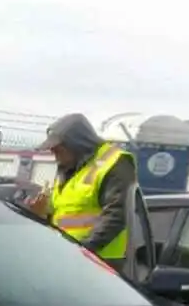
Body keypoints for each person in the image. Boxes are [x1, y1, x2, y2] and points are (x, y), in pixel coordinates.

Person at [31, 113, 138, 267]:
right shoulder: (68, 168)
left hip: (99, 262)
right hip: (66, 256)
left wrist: (81, 250)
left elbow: (116, 215)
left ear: (75, 144)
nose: (54, 156)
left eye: (58, 150)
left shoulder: (114, 161)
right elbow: (63, 213)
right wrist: (40, 215)